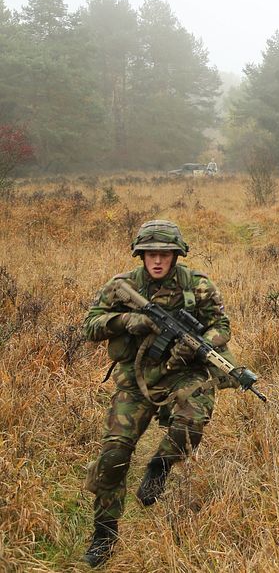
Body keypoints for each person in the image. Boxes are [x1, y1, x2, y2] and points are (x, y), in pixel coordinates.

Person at [81, 220, 241, 567]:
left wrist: (198, 346)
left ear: (176, 255)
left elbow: (222, 326)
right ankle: (103, 537)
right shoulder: (122, 286)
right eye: (150, 254)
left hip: (183, 375)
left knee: (191, 421)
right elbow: (90, 325)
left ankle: (160, 468)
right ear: (141, 255)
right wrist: (127, 322)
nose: (157, 261)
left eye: (164, 254)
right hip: (136, 381)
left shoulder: (196, 286)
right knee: (112, 457)